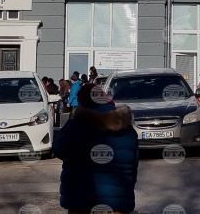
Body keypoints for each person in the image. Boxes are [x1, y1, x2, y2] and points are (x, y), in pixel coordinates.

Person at [53, 83, 138, 214]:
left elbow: (58, 149)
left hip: (80, 202)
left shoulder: (74, 127)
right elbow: (133, 167)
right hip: (117, 205)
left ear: (83, 103)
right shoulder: (128, 130)